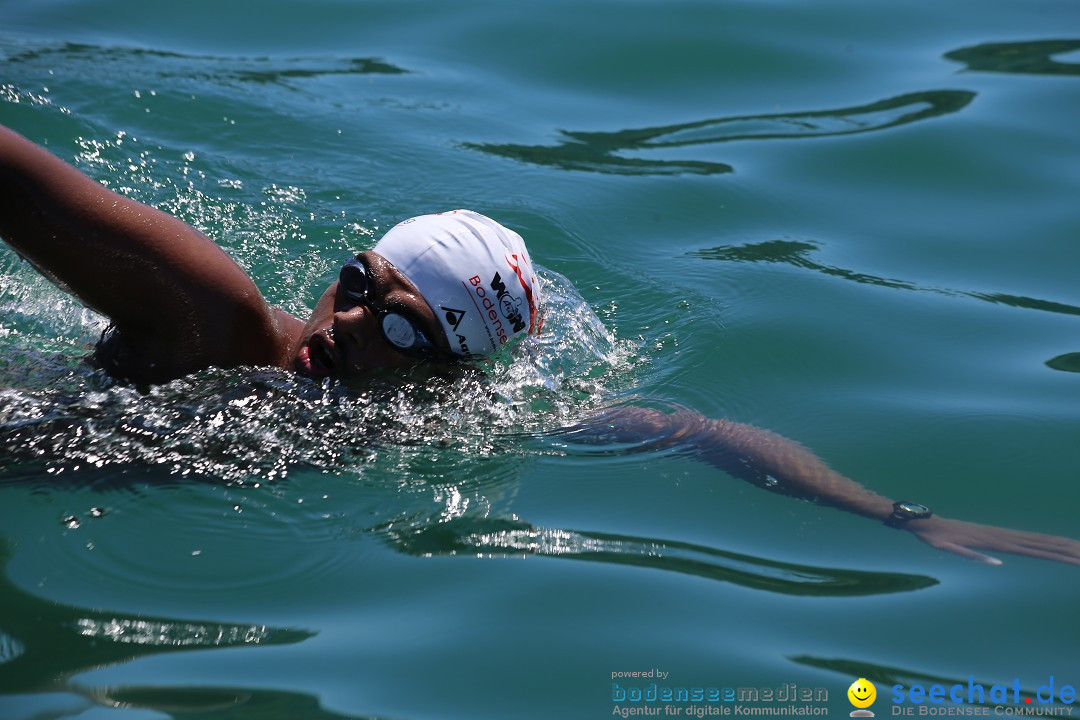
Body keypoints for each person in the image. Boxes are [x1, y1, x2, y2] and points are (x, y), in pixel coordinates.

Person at [2, 123, 1078, 567]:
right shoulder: (215, 320)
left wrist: (903, 517)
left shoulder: (463, 423)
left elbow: (696, 434)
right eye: (356, 283)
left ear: (453, 378)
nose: (346, 325)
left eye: (399, 329)